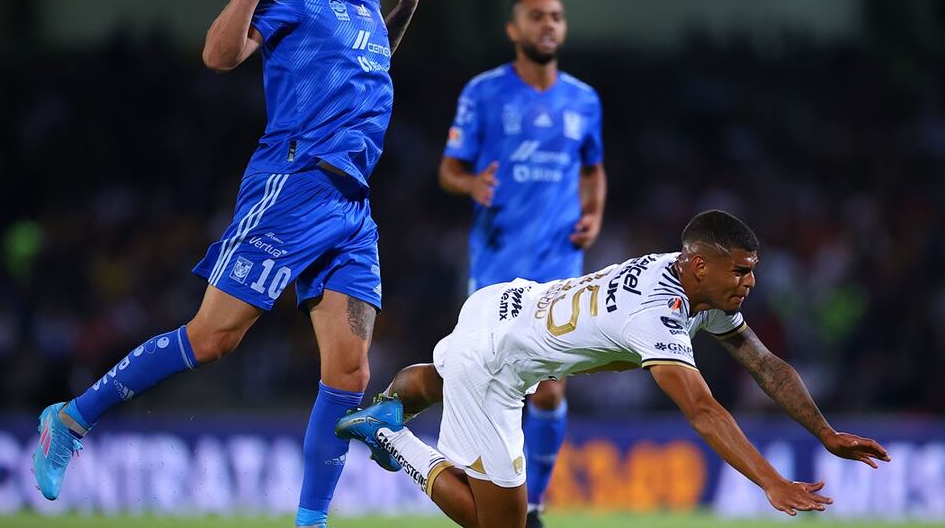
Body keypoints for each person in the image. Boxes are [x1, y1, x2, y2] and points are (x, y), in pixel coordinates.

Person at [31, 0, 420, 528]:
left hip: (350, 209)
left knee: (350, 374)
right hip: (292, 189)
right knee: (213, 339)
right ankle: (70, 419)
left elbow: (365, 70)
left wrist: (404, 9)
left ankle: (310, 523)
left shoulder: (365, 5)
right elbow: (219, 55)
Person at [336, 210, 890, 528]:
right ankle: (388, 433)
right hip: (493, 364)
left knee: (439, 376)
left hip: (504, 303)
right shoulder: (657, 316)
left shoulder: (688, 284)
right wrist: (772, 482)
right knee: (498, 527)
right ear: (699, 265)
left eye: (753, 271)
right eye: (741, 272)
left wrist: (825, 433)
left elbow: (765, 365)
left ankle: (387, 401)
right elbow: (701, 410)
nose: (749, 283)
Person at [439, 0, 605, 526]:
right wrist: (471, 185)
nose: (548, 26)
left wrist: (594, 213)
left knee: (550, 385)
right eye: (536, 18)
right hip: (495, 265)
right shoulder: (483, 93)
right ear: (514, 30)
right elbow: (449, 169)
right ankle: (477, 490)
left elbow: (592, 168)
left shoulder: (584, 100)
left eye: (556, 17)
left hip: (558, 265)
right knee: (484, 384)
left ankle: (532, 506)